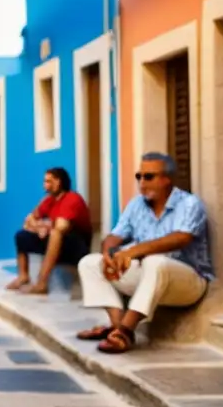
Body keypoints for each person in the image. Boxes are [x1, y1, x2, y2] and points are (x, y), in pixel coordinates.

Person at [75, 152, 213, 354]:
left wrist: (132, 252)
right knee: (89, 262)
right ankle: (116, 326)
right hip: (148, 277)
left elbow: (181, 237)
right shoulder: (136, 204)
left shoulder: (189, 203)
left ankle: (127, 330)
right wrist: (109, 254)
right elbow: (114, 236)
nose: (142, 182)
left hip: (187, 283)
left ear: (167, 179)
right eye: (138, 176)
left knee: (155, 262)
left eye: (149, 177)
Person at [6, 167, 92, 294]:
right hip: (57, 243)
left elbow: (62, 227)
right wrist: (39, 227)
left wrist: (43, 226)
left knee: (55, 234)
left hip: (77, 246)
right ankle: (23, 276)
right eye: (44, 181)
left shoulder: (72, 198)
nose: (44, 185)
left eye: (48, 181)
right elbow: (28, 220)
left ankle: (42, 283)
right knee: (22, 235)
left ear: (58, 182)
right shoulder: (49, 201)